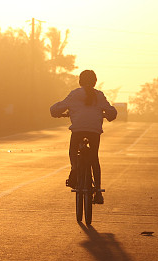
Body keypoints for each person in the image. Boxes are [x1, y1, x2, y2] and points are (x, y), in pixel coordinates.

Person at [50, 70, 117, 204]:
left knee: (73, 151)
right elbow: (111, 111)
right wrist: (110, 115)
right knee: (94, 158)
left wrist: (56, 112)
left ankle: (74, 169)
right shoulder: (99, 95)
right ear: (94, 82)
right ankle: (97, 191)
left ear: (80, 81)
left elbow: (57, 108)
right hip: (94, 131)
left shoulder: (75, 94)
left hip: (78, 130)